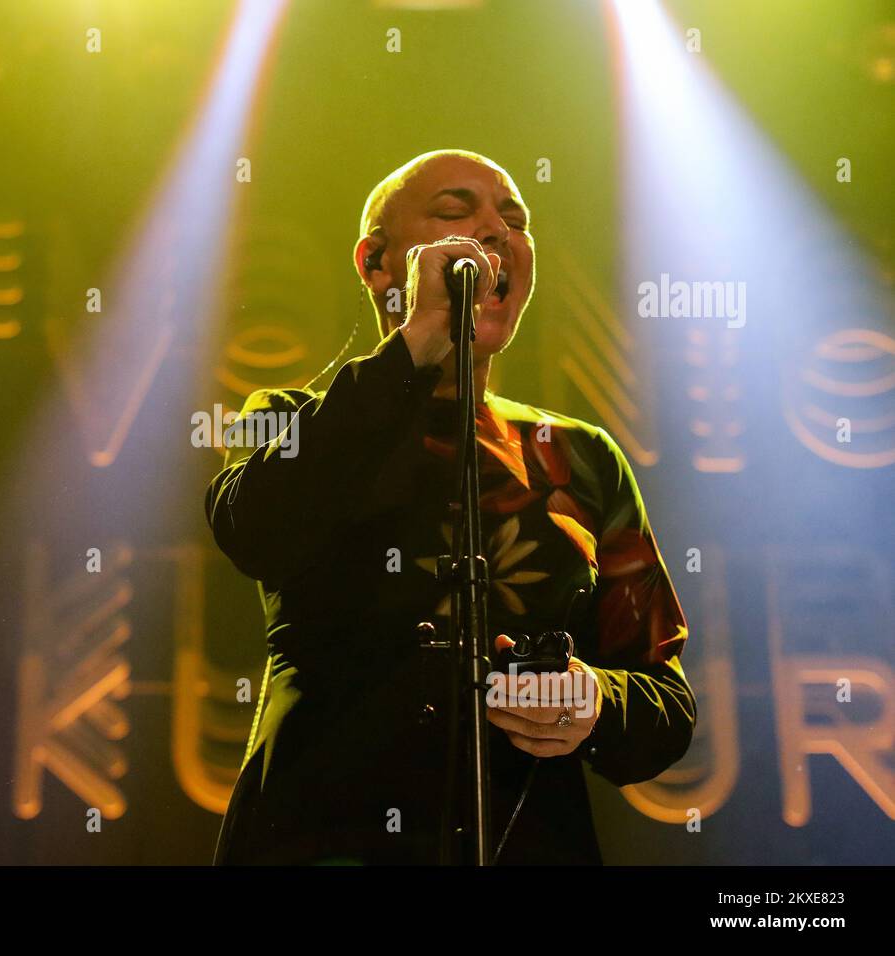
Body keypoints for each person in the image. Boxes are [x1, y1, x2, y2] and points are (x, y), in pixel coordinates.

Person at [205, 149, 696, 865]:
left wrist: (595, 702)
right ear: (377, 265)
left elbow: (666, 703)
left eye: (515, 219)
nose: (494, 231)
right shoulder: (282, 417)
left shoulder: (579, 456)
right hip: (320, 840)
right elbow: (256, 530)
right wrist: (419, 343)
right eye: (454, 213)